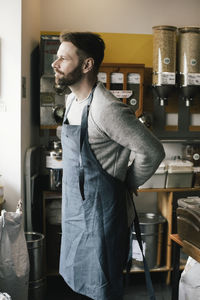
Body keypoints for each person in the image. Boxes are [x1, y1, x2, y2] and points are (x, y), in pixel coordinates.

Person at [52, 31, 165, 300]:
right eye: (56, 57)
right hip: (76, 214)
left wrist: (128, 182)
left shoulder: (107, 109)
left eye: (63, 59)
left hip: (103, 219)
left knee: (103, 288)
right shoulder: (70, 102)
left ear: (87, 65)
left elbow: (152, 151)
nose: (55, 64)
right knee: (78, 284)